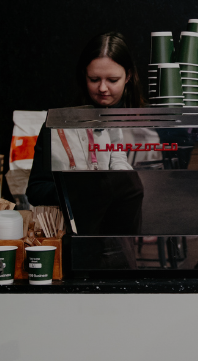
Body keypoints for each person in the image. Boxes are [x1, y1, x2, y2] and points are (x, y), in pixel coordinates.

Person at [28, 33, 146, 266]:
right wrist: (75, 188)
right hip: (75, 247)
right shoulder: (60, 123)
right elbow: (36, 189)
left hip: (126, 248)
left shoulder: (146, 124)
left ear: (129, 76)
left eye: (112, 80)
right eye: (94, 79)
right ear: (84, 76)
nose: (103, 88)